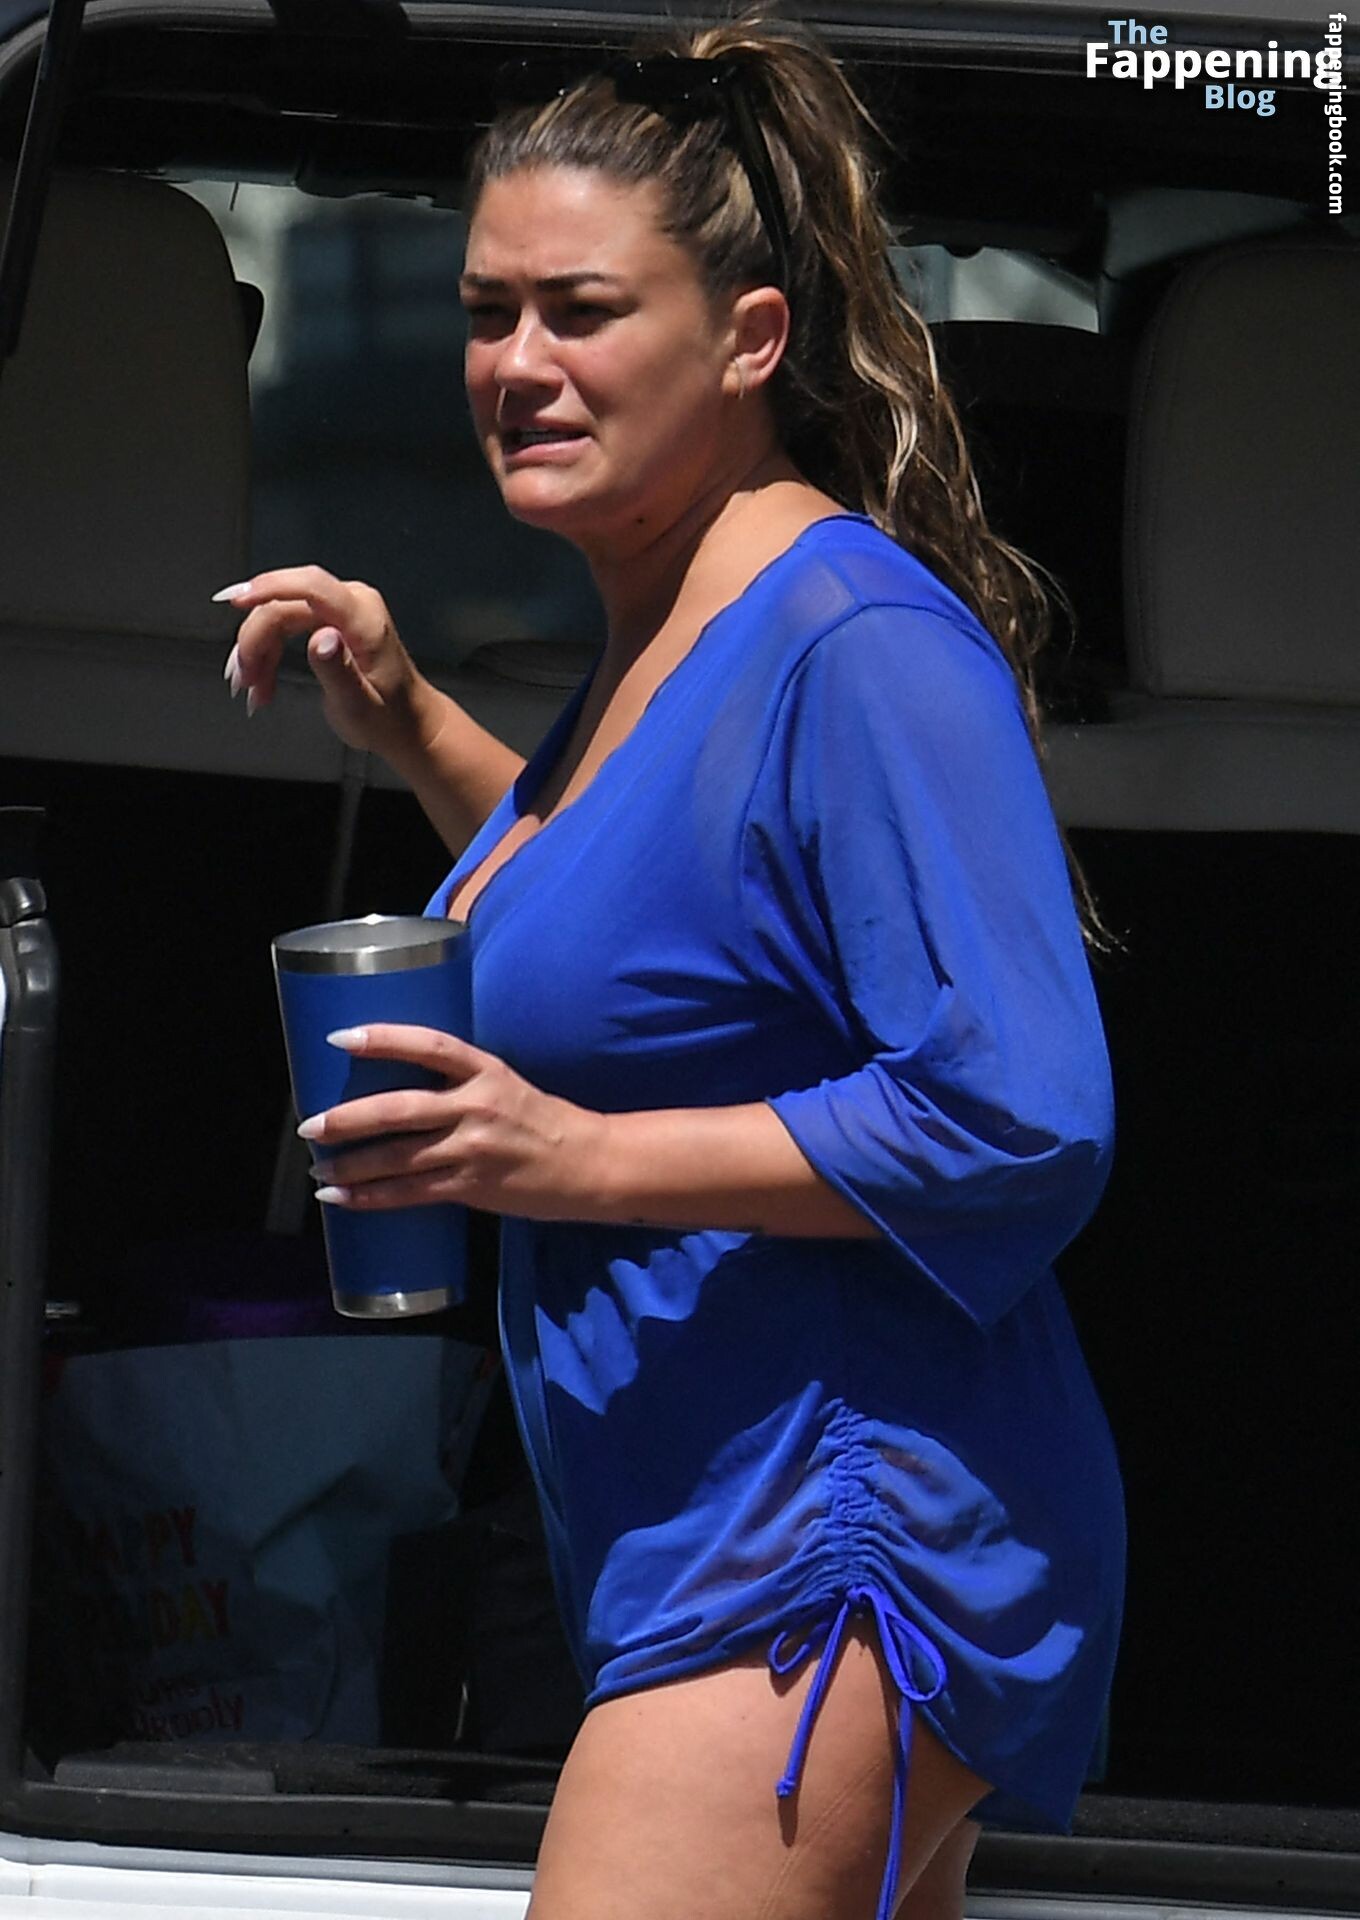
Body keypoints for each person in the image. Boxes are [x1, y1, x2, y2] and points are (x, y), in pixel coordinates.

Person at [214, 17, 1125, 1919]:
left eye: (583, 311)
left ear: (749, 338)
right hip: (716, 1546)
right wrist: (416, 722)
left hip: (836, 1549)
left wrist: (574, 1162)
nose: (518, 365)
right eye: (487, 313)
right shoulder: (677, 625)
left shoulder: (853, 639)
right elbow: (650, 918)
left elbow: (1018, 1112)